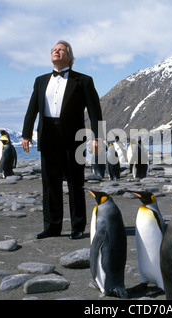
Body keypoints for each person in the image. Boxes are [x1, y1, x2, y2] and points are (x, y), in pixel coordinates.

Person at [21, 40, 103, 240]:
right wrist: (26, 134)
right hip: (48, 135)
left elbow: (95, 110)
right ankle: (52, 227)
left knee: (76, 183)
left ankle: (77, 227)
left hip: (74, 137)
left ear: (70, 57)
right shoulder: (40, 80)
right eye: (53, 50)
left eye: (60, 50)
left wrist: (98, 137)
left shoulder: (83, 80)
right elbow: (33, 108)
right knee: (50, 184)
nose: (56, 51)